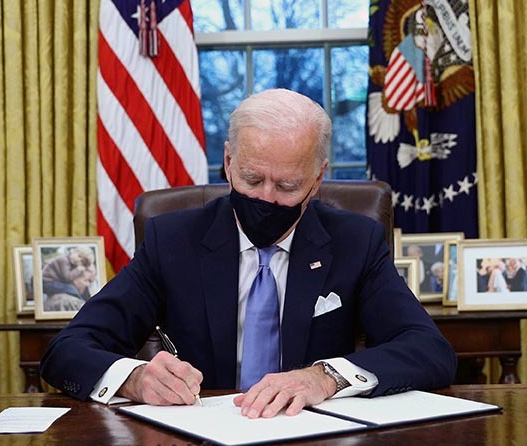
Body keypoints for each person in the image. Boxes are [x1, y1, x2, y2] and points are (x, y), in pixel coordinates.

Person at [40, 89, 457, 418]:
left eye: (289, 186)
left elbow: (428, 349)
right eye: (252, 178)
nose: (267, 198)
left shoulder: (355, 242)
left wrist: (326, 377)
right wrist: (133, 378)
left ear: (317, 179)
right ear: (227, 161)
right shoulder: (173, 240)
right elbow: (68, 349)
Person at [41, 246, 98, 312]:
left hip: (50, 283)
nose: (79, 260)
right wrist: (78, 269)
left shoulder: (69, 262)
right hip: (47, 282)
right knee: (70, 288)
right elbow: (67, 277)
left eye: (82, 261)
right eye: (87, 281)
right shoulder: (63, 260)